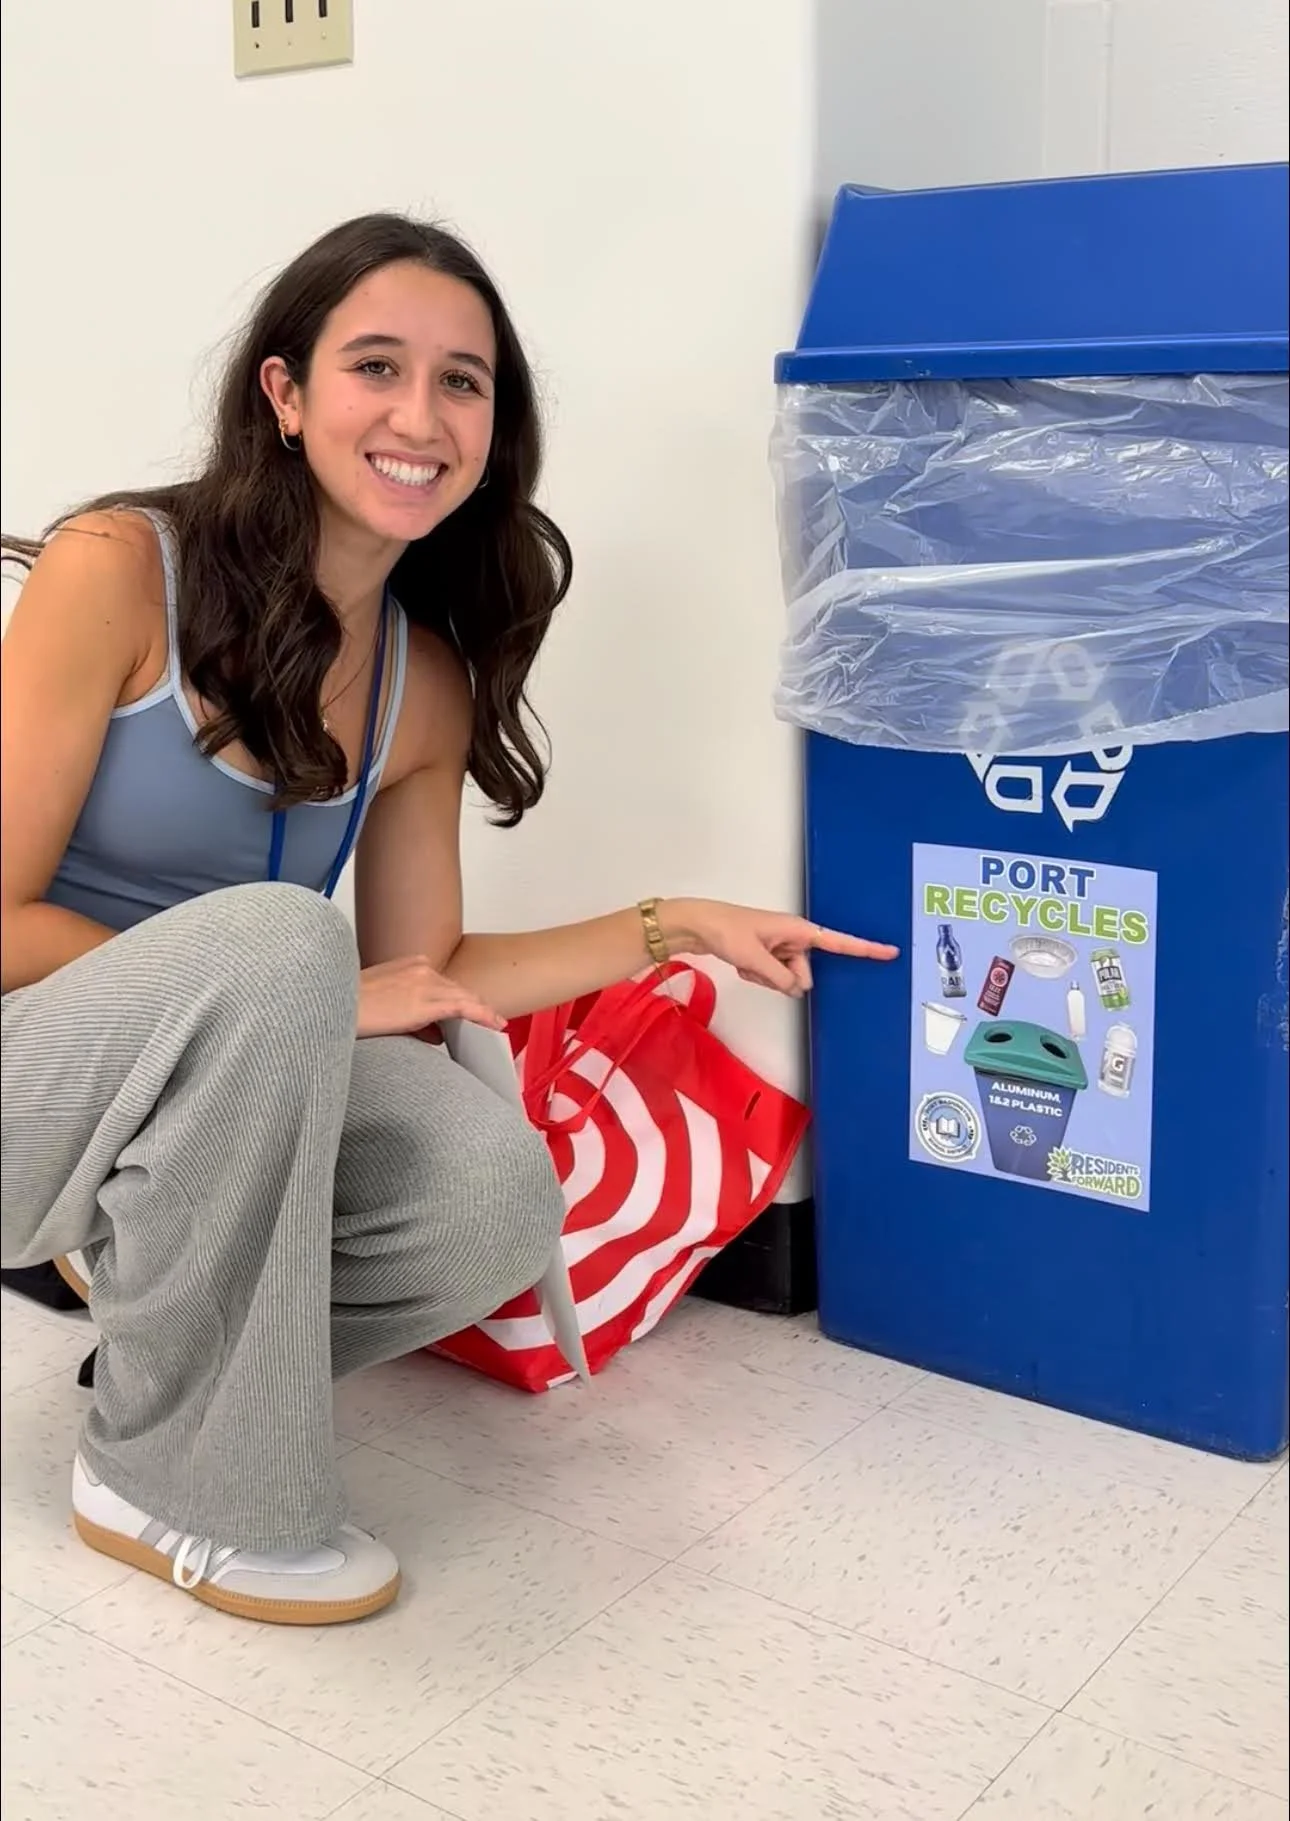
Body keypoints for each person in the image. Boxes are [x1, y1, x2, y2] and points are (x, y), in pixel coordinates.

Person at [0, 213, 897, 1628]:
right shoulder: (116, 569)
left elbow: (435, 970)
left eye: (463, 382)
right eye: (376, 367)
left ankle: (173, 1365)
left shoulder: (422, 684)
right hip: (24, 1075)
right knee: (281, 945)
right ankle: (173, 1486)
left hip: (218, 1077)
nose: (421, 415)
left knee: (490, 1196)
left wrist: (674, 923)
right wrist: (300, 993)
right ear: (285, 398)